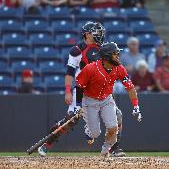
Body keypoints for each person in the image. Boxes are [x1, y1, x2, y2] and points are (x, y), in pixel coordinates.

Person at [37, 22, 126, 157]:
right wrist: (67, 91)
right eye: (95, 32)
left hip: (101, 91)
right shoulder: (77, 50)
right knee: (71, 119)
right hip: (82, 90)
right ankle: (47, 143)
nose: (99, 35)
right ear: (87, 34)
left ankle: (114, 147)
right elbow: (69, 72)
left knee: (117, 116)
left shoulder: (104, 49)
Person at [76, 42, 142, 157]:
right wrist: (77, 105)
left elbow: (130, 87)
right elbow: (79, 86)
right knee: (95, 133)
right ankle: (89, 130)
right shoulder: (90, 68)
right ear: (106, 56)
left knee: (113, 128)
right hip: (90, 100)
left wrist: (136, 106)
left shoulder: (119, 68)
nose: (118, 56)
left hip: (107, 99)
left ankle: (106, 150)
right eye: (115, 54)